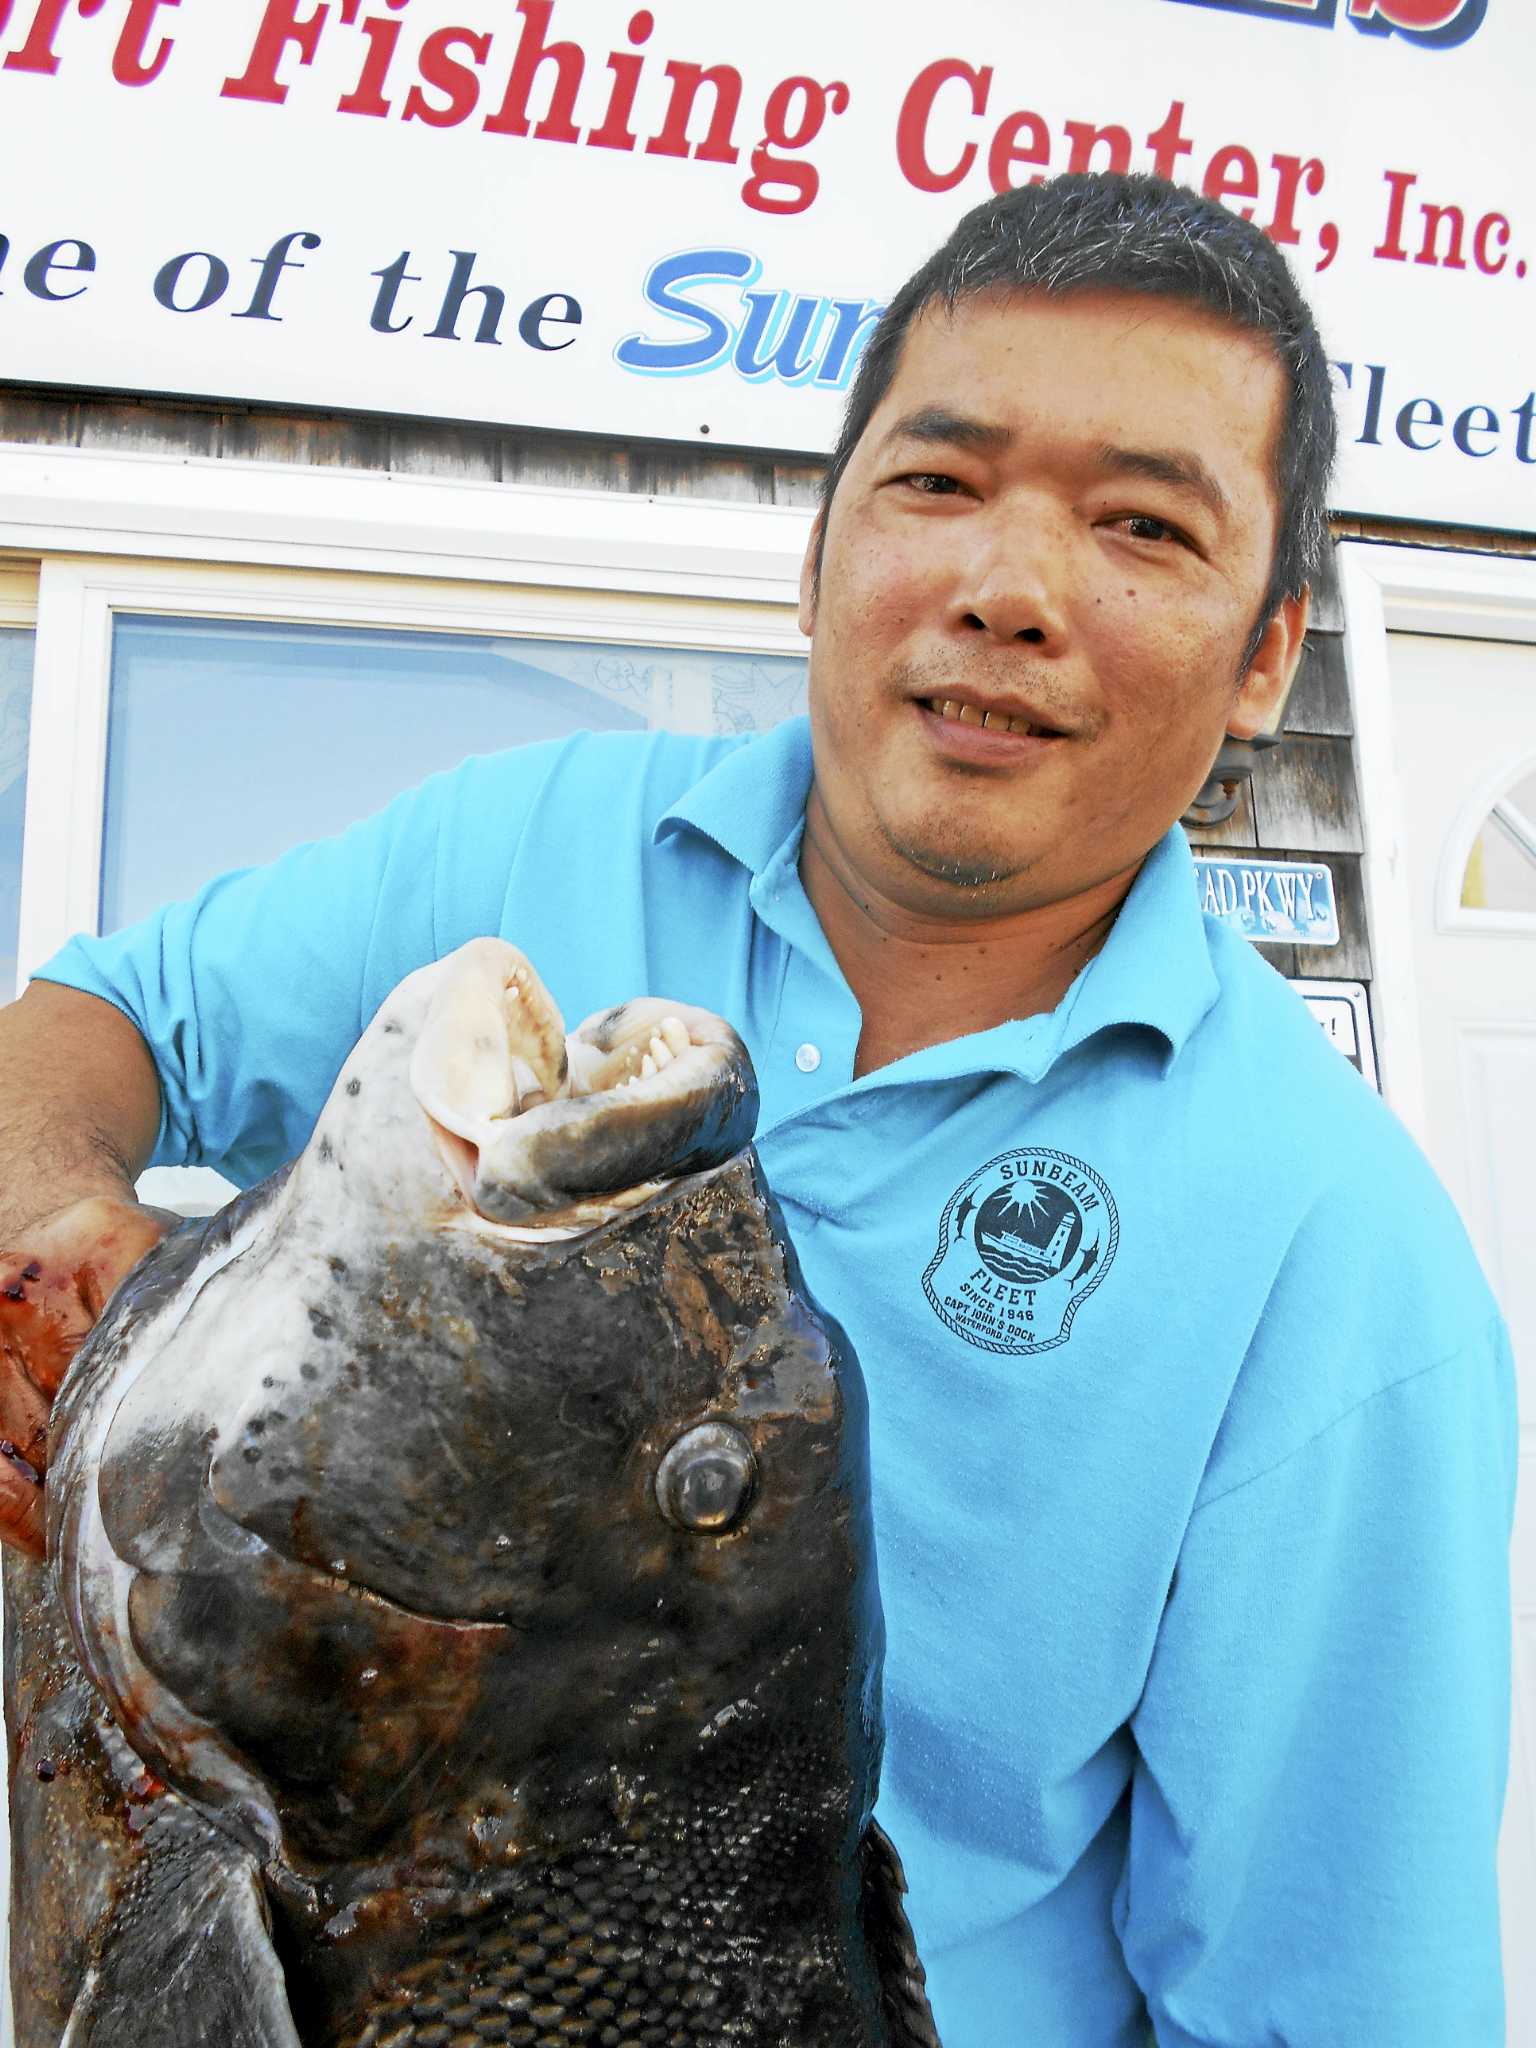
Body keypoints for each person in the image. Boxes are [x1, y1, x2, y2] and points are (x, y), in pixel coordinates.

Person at [0, 174, 1517, 2045]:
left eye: (1140, 524)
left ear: (1269, 654)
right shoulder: (527, 838)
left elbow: (1334, 2006)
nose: (1010, 590)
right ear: (818, 554)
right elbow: (99, 1018)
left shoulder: (1335, 1258)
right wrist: (53, 1204)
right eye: (938, 483)